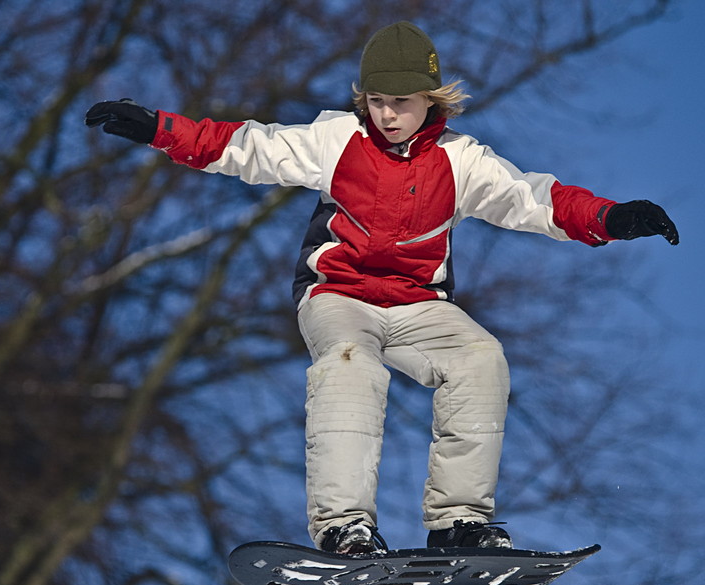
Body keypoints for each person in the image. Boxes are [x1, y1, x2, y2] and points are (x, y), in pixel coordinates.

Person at [85, 21, 679, 555]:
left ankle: (459, 521)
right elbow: (245, 146)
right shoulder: (338, 139)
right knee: (352, 367)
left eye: (401, 102)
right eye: (376, 101)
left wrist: (611, 217)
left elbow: (535, 199)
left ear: (432, 99)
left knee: (480, 359)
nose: (388, 115)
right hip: (338, 295)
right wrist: (157, 128)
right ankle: (345, 525)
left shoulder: (460, 160)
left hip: (420, 304)